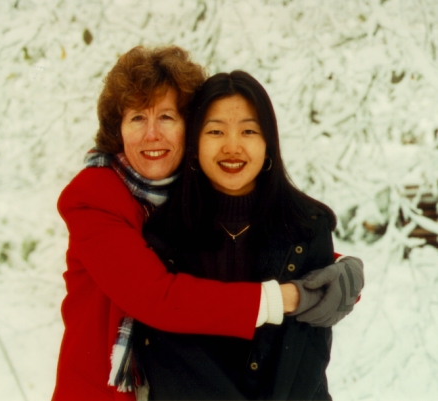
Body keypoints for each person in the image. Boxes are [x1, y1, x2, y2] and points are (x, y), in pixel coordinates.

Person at [52, 45, 363, 401]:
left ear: (190, 127)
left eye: (167, 117)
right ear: (117, 129)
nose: (152, 134)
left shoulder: (187, 193)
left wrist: (335, 266)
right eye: (138, 117)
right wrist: (287, 296)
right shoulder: (94, 195)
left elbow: (267, 243)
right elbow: (157, 295)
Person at [138, 70, 364, 400]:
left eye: (249, 131)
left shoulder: (308, 227)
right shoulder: (163, 234)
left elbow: (307, 355)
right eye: (215, 131)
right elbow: (168, 361)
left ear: (268, 143)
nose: (233, 146)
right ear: (195, 144)